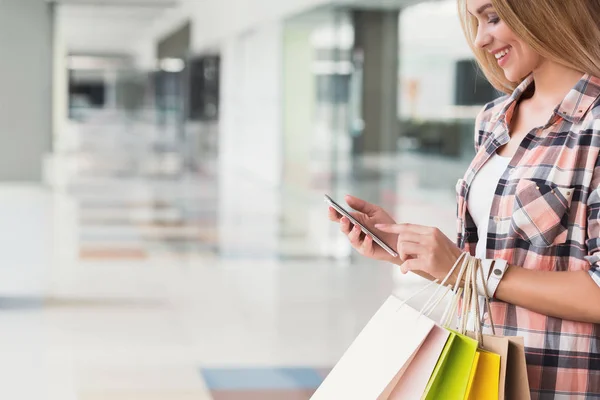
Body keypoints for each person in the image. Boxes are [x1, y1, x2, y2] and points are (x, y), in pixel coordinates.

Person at [328, 0, 600, 397]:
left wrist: (468, 270)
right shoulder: (494, 119)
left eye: (492, 17)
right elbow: (489, 264)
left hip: (560, 384)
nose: (480, 38)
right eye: (474, 21)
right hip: (482, 376)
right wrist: (406, 249)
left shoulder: (593, 127)